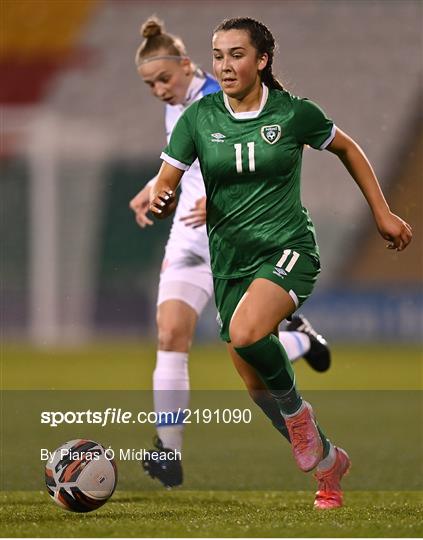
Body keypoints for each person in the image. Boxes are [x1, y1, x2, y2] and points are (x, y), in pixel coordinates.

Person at [146, 17, 413, 509]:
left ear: (262, 60)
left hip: (288, 249)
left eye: (237, 55)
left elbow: (348, 148)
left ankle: (300, 419)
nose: (225, 65)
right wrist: (162, 199)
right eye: (218, 55)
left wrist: (383, 211)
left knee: (248, 334)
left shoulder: (294, 114)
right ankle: (329, 465)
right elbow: (166, 180)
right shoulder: (198, 119)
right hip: (231, 261)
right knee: (252, 378)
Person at [130, 17, 333, 490]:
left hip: (235, 234)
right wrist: (153, 191)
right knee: (171, 333)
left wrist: (218, 201)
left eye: (164, 79)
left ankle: (299, 347)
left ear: (186, 66)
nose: (159, 89)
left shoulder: (220, 99)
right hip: (190, 235)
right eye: (149, 85)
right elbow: (181, 163)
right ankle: (169, 449)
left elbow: (243, 166)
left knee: (242, 345)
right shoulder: (185, 108)